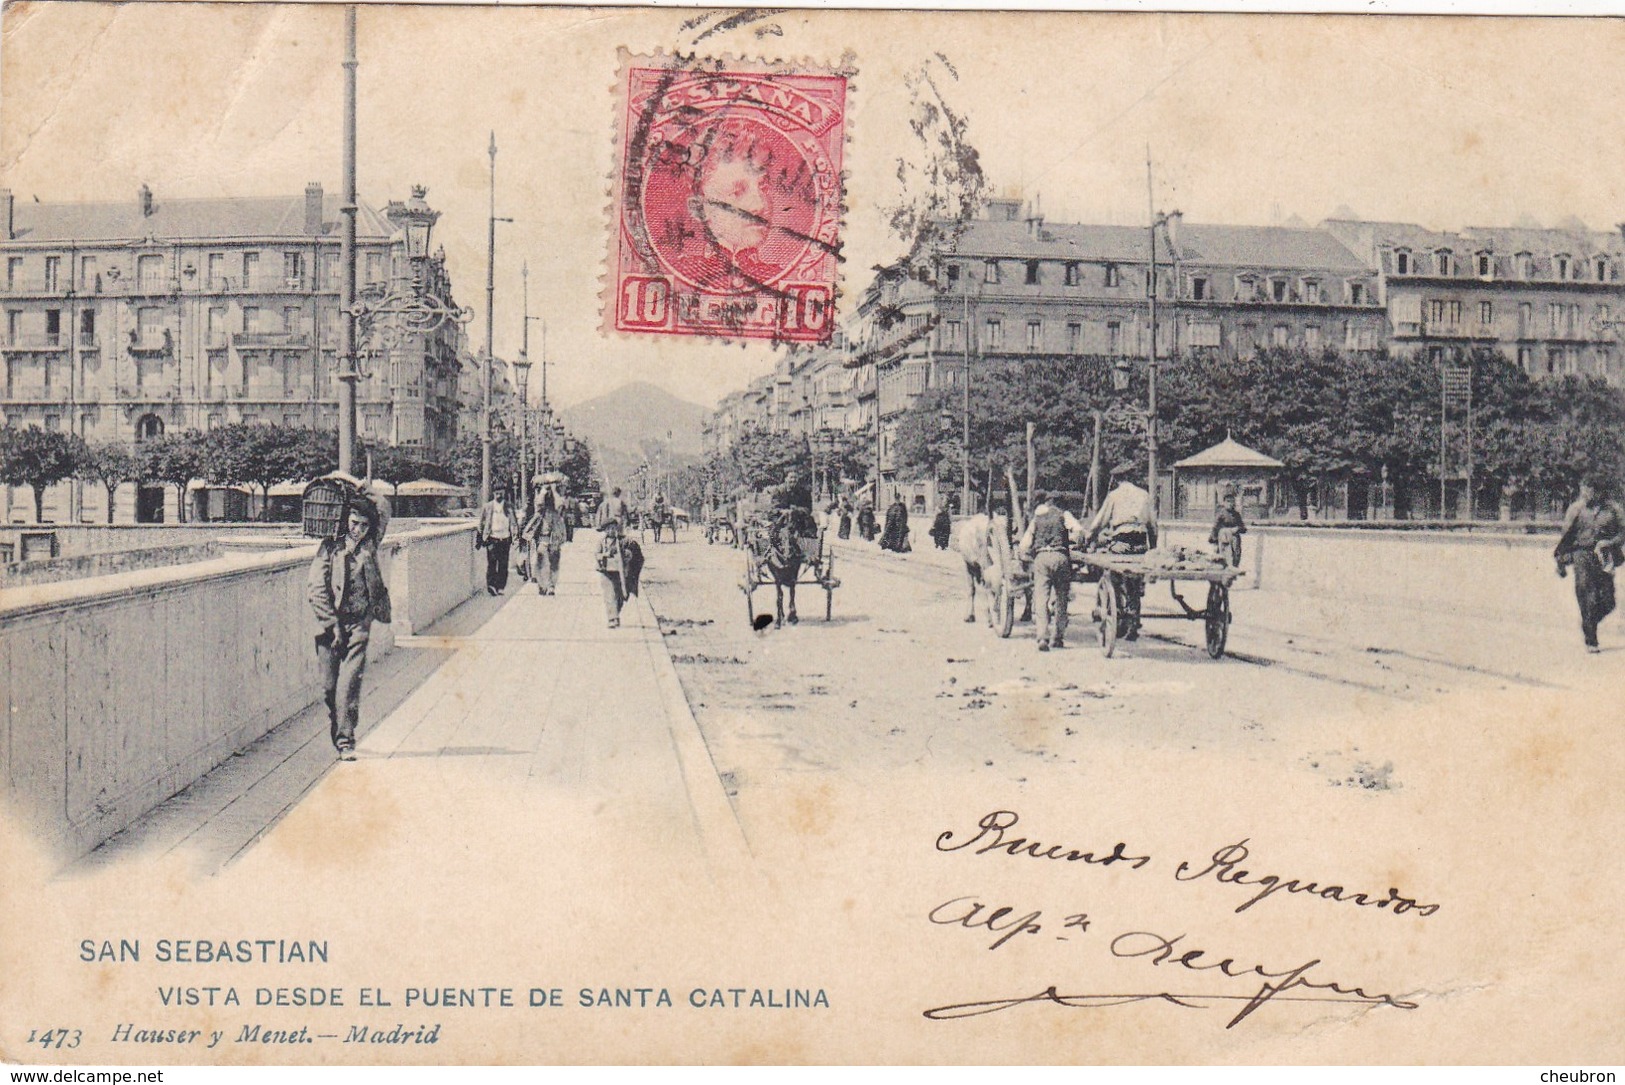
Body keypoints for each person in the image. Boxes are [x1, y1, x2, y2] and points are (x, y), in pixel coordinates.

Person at [307, 491, 392, 762]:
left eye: (364, 525)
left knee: (348, 684)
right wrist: (331, 624)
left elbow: (384, 508)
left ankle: (345, 740)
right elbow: (316, 588)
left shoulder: (370, 546)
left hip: (359, 624)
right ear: (346, 522)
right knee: (329, 688)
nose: (359, 530)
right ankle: (339, 725)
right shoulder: (330, 548)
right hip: (330, 627)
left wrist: (360, 487)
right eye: (354, 523)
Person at [1086, 463, 1159, 640]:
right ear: (1132, 477)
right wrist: (1153, 548)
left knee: (1114, 576)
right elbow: (1152, 525)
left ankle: (1117, 612)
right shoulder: (1144, 495)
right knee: (1134, 581)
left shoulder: (1114, 496)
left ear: (1117, 479)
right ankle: (1133, 622)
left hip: (1121, 542)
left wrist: (1089, 538)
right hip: (1140, 542)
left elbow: (1099, 522)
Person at [1554, 475, 1624, 653]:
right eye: (1584, 487)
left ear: (1599, 491)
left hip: (1604, 556)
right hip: (1582, 554)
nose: (1587, 492)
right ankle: (1591, 638)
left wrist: (1609, 543)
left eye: (1591, 488)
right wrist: (1561, 562)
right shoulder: (1576, 509)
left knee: (1609, 601)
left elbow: (1623, 532)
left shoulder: (1613, 509)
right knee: (1587, 594)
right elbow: (1565, 537)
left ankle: (1589, 622)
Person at [1019, 489, 1086, 651]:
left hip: (1041, 558)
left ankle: (1042, 636)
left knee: (1041, 599)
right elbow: (1079, 532)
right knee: (1062, 598)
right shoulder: (1065, 515)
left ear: (1047, 503)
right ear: (1059, 503)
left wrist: (1026, 556)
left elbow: (1025, 544)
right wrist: (1076, 543)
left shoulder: (1038, 517)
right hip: (1061, 557)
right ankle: (1058, 637)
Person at [524, 486, 570, 596]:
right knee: (540, 560)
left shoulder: (557, 507)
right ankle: (542, 584)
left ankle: (551, 586)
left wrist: (554, 490)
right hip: (543, 537)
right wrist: (543, 491)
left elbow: (560, 504)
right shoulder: (541, 509)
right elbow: (538, 503)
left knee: (554, 561)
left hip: (555, 537)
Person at [477, 485, 517, 595]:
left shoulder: (509, 506)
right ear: (493, 494)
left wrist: (515, 536)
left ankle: (500, 587)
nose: (498, 495)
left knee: (503, 564)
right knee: (492, 563)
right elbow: (481, 523)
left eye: (501, 493)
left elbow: (514, 523)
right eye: (496, 493)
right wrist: (480, 537)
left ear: (504, 493)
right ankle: (491, 585)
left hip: (505, 538)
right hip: (492, 538)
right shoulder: (488, 506)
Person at [1209, 487, 1247, 567]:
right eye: (1228, 501)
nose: (1230, 503)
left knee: (1236, 555)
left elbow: (1243, 528)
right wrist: (1214, 541)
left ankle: (1234, 567)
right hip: (1224, 539)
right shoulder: (1221, 514)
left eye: (1232, 501)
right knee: (1225, 557)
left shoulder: (1236, 515)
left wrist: (1237, 529)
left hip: (1235, 540)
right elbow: (1215, 528)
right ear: (1224, 502)